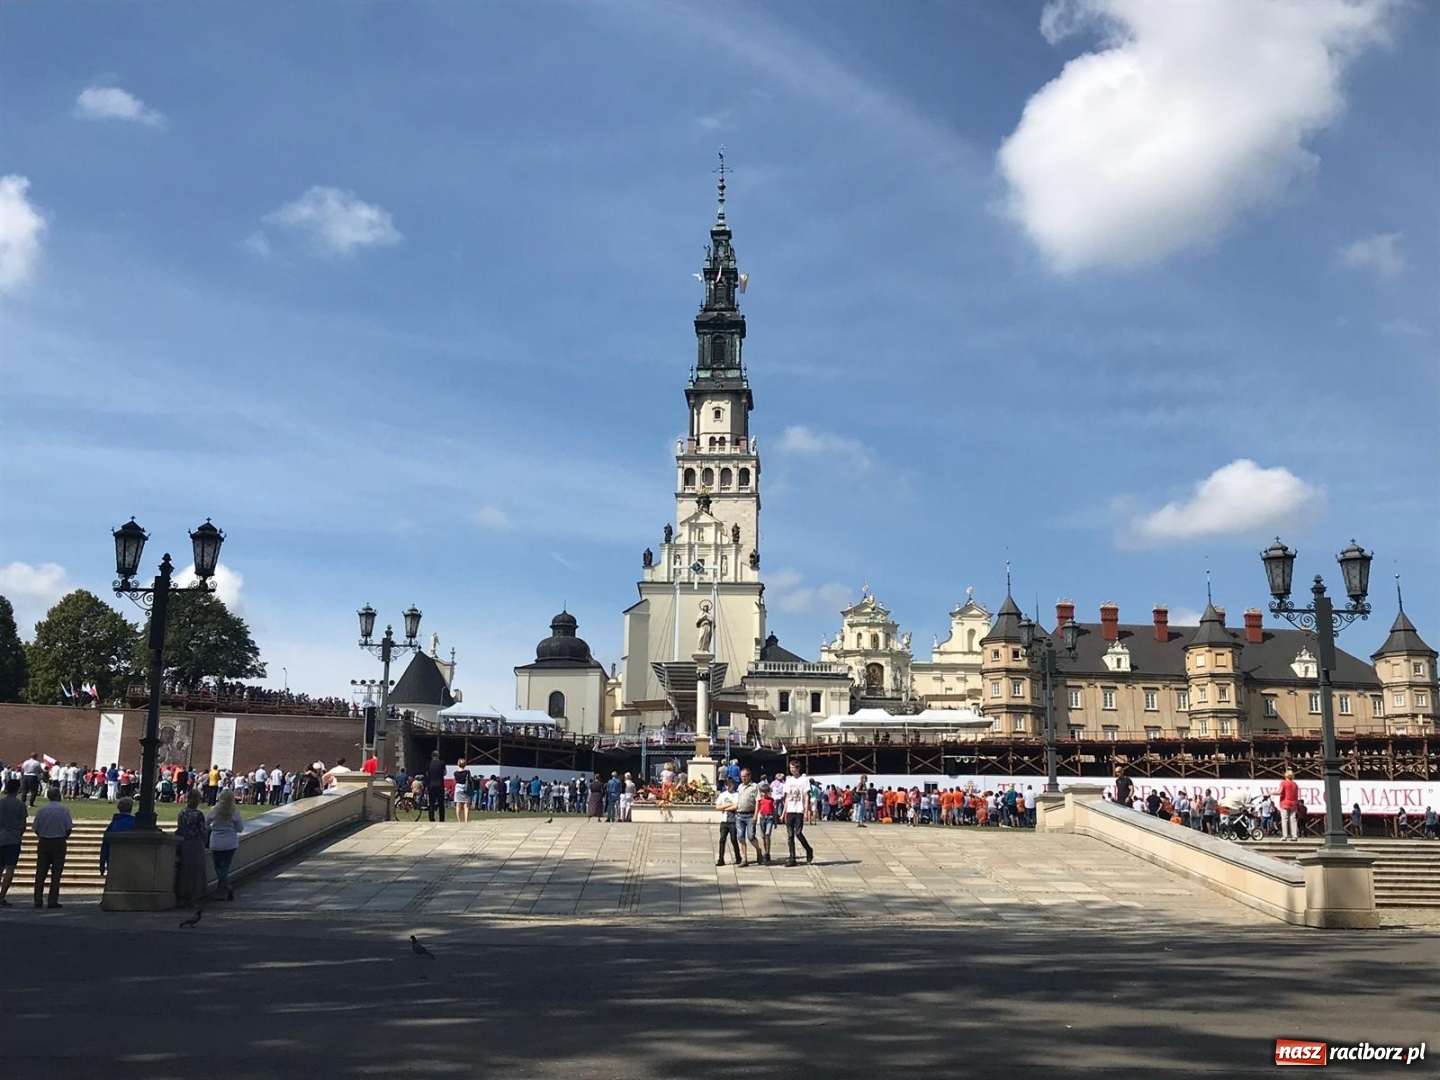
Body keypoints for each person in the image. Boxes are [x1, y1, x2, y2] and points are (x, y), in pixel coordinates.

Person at [32, 785, 74, 909]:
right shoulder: (64, 810)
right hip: (59, 841)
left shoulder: (42, 810)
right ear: (58, 796)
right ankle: (52, 900)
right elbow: (68, 828)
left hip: (44, 841)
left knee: (40, 872)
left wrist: (41, 835)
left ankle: (38, 900)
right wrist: (63, 837)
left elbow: (35, 827)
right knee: (56, 874)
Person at [207, 789, 245, 900]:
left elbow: (206, 823)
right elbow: (240, 828)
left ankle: (222, 889)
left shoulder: (214, 810)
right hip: (230, 842)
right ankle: (225, 887)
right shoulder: (235, 812)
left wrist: (214, 828)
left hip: (216, 841)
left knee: (218, 867)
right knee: (224, 867)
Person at [175, 789, 209, 906]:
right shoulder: (198, 814)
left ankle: (182, 895)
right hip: (195, 843)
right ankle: (192, 897)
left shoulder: (182, 813)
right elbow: (202, 831)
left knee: (184, 870)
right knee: (196, 871)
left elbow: (179, 827)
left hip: (184, 843)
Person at [782, 760, 814, 867]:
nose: (791, 769)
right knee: (790, 835)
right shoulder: (788, 780)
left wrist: (806, 810)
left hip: (799, 810)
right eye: (790, 768)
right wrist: (784, 812)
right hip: (790, 810)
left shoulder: (804, 780)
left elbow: (806, 795)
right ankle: (792, 858)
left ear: (798, 768)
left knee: (798, 833)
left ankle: (808, 849)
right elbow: (786, 797)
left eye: (793, 768)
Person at [0, 778, 26, 907]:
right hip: (12, 838)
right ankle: (2, 896)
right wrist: (18, 834)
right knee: (10, 868)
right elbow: (23, 825)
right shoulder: (20, 805)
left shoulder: (1, 803)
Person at [99, 796, 137, 875]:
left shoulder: (113, 825)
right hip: (132, 862)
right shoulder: (136, 824)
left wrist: (102, 864)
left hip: (114, 861)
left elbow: (105, 846)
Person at [735, 768, 761, 865]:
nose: (743, 778)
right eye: (742, 776)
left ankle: (758, 850)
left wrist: (755, 815)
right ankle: (744, 859)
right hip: (740, 815)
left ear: (750, 776)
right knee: (741, 837)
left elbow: (758, 801)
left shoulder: (754, 786)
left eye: (745, 776)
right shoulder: (740, 787)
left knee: (751, 836)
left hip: (750, 815)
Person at [715, 778, 742, 867]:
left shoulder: (736, 795)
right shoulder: (723, 795)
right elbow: (718, 807)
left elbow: (736, 806)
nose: (729, 787)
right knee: (722, 840)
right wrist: (729, 806)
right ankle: (721, 859)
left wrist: (724, 807)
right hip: (724, 821)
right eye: (727, 785)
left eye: (730, 785)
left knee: (734, 839)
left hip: (733, 821)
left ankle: (738, 857)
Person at [1278, 770, 1300, 842]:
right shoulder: (1295, 784)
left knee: (1284, 819)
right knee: (1293, 820)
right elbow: (1296, 795)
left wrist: (1272, 793)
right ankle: (1294, 836)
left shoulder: (1283, 782)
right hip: (1293, 803)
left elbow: (1280, 792)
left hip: (1284, 802)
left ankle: (1285, 836)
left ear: (1286, 776)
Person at [425, 751, 447, 823]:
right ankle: (441, 818)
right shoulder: (442, 763)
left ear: (432, 756)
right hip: (440, 784)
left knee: (431, 802)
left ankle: (431, 817)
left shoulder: (429, 764)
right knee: (441, 802)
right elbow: (444, 773)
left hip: (431, 784)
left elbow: (427, 774)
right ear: (438, 756)